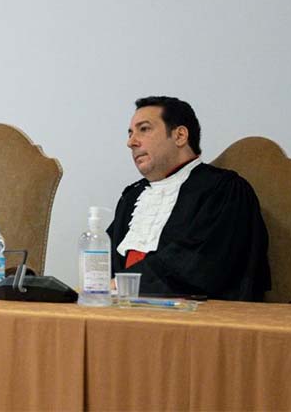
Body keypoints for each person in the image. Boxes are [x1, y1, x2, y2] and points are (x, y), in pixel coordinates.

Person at [107, 96, 271, 301]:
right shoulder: (132, 198)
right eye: (130, 133)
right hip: (122, 312)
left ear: (180, 136)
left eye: (144, 129)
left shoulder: (224, 190)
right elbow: (106, 264)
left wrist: (121, 284)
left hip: (200, 314)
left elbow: (201, 264)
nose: (131, 142)